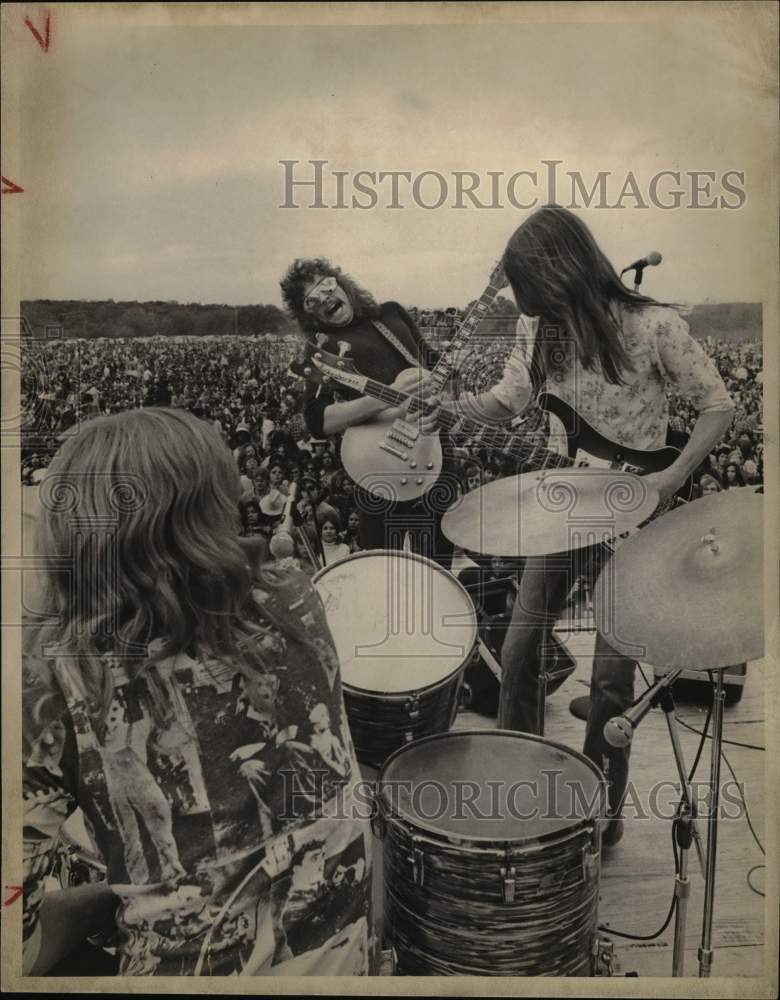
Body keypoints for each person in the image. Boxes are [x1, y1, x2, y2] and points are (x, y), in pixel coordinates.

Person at [22, 408, 378, 976]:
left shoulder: (58, 675)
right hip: (341, 958)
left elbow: (15, 936)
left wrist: (109, 899)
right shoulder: (295, 596)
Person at [421, 205, 734, 844]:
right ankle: (520, 784)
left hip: (635, 512)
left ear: (560, 272)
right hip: (561, 508)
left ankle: (599, 812)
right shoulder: (538, 331)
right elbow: (506, 402)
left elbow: (718, 406)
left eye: (535, 292)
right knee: (518, 649)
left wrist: (668, 479)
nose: (530, 306)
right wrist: (445, 409)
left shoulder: (655, 327)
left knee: (613, 679)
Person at [280, 257, 455, 569]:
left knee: (437, 567)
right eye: (311, 301)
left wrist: (442, 389)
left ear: (342, 283)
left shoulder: (391, 313)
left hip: (433, 450)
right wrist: (386, 394)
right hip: (379, 462)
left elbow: (436, 368)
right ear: (307, 314)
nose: (324, 299)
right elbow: (316, 421)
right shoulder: (323, 349)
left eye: (327, 286)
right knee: (383, 570)